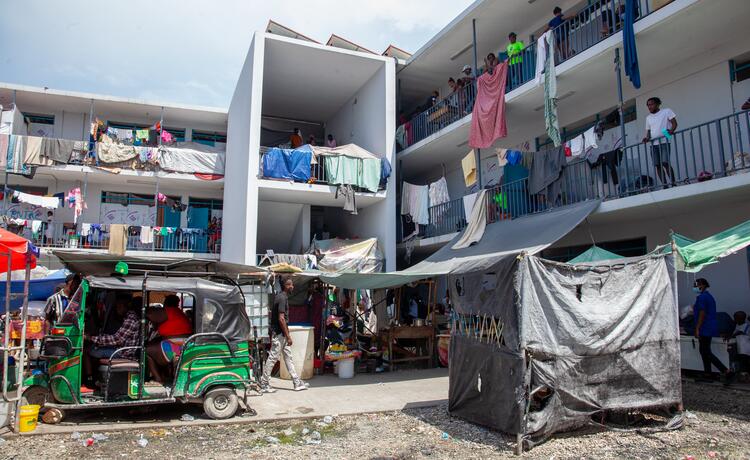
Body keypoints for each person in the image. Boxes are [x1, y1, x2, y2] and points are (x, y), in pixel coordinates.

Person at [259, 277, 309, 392]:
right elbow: (281, 319)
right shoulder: (281, 298)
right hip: (279, 334)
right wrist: (288, 336)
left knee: (288, 357)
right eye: (289, 285)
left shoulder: (282, 297)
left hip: (282, 334)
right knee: (273, 358)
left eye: (292, 284)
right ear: (285, 286)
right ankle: (264, 383)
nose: (292, 286)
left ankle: (296, 382)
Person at [84, 294, 140, 386]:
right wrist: (98, 338)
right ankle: (96, 379)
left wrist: (91, 338)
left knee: (88, 351)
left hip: (124, 353)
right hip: (121, 349)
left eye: (119, 306)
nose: (117, 309)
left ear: (125, 305)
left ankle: (90, 381)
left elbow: (117, 339)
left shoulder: (131, 319)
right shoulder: (128, 317)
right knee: (95, 348)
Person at [146, 295, 193, 385]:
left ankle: (158, 379)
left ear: (166, 303)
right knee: (155, 345)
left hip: (176, 346)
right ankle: (164, 375)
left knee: (147, 350)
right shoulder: (177, 312)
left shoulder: (170, 311)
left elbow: (151, 315)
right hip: (183, 343)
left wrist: (146, 310)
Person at [692, 278, 732, 381]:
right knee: (704, 351)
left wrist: (697, 328)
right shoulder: (708, 296)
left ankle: (726, 371)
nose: (695, 287)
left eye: (696, 285)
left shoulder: (702, 297)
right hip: (708, 327)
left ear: (703, 285)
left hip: (705, 327)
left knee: (705, 351)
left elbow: (702, 313)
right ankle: (708, 374)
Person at [642, 97, 677, 187]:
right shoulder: (648, 118)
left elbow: (674, 123)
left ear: (657, 104)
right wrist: (646, 138)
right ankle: (665, 185)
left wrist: (671, 131)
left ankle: (673, 183)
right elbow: (649, 132)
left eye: (651, 104)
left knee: (665, 162)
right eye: (648, 105)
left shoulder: (666, 111)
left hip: (665, 140)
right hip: (653, 143)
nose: (649, 107)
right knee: (657, 165)